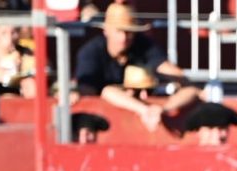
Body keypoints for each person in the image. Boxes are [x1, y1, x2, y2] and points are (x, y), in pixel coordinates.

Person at [74, 4, 202, 132]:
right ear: (106, 30)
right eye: (119, 31)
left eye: (128, 31)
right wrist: (144, 109)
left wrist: (163, 108)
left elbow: (170, 71)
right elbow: (89, 93)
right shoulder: (90, 53)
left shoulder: (143, 45)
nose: (123, 37)